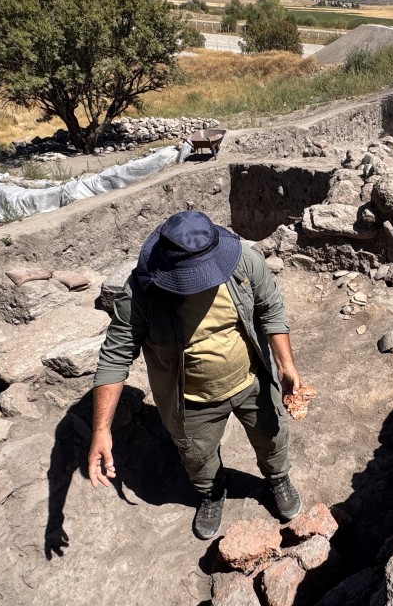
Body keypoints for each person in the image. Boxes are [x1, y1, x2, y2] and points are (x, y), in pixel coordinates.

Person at [88, 211, 304, 540]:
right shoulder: (141, 294)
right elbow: (115, 356)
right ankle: (212, 493)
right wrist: (101, 429)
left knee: (272, 437)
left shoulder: (243, 263)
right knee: (198, 458)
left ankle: (277, 479)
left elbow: (270, 307)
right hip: (189, 401)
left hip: (252, 380)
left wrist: (286, 365)